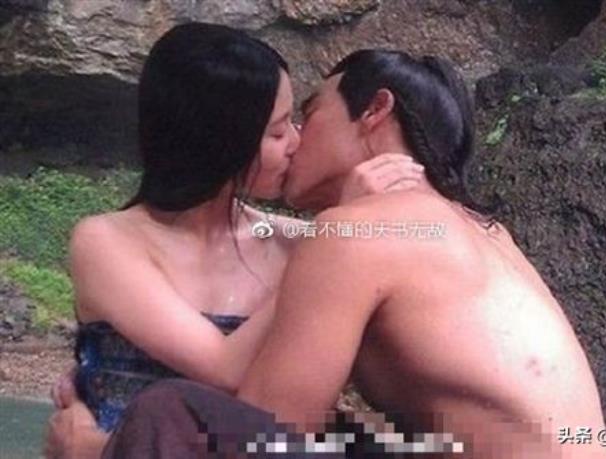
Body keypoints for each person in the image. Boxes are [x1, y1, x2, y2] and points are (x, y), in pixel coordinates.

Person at [99, 50, 606, 459]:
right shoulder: (483, 230)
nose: (295, 140)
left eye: (309, 114)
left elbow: (266, 426)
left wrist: (98, 443)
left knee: (174, 415)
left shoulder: (355, 231)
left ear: (375, 111)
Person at [43, 25, 424, 459]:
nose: (296, 143)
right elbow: (223, 369)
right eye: (277, 132)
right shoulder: (106, 241)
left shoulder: (291, 241)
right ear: (221, 142)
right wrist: (329, 239)